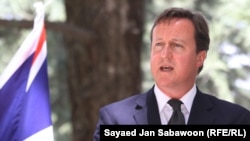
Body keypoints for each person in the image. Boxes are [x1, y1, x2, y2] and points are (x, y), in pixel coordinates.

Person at [93, 7, 250, 140]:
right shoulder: (113, 120)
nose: (164, 54)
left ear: (199, 58)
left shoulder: (235, 121)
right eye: (159, 45)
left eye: (177, 45)